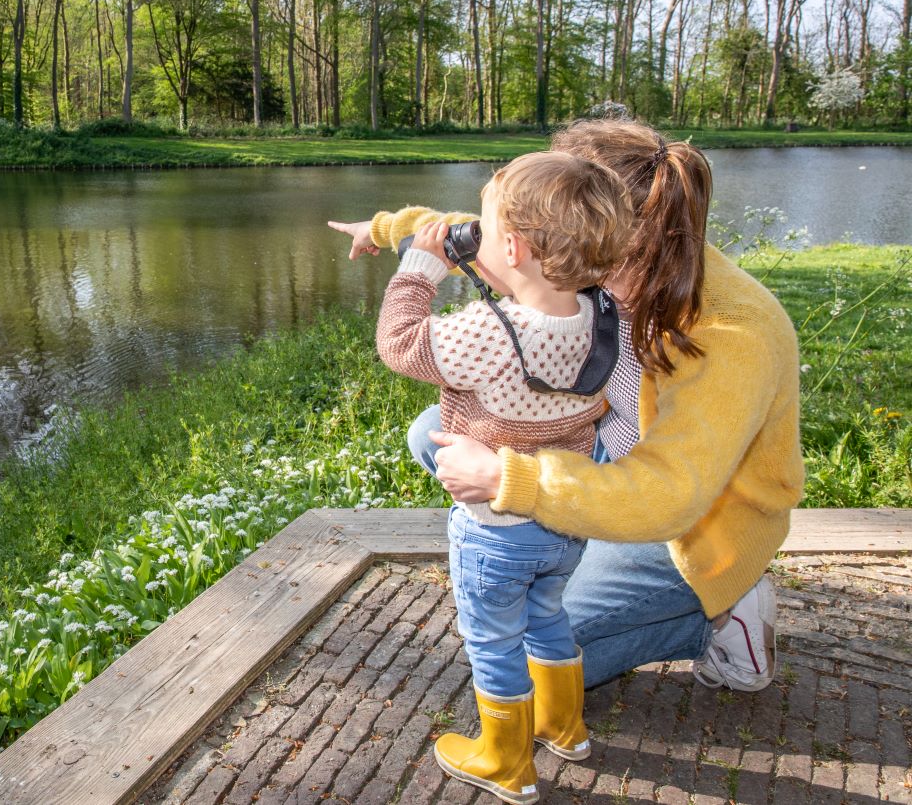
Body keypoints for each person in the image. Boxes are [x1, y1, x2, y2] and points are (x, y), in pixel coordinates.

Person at [327, 118, 802, 701]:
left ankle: (723, 612)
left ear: (605, 230)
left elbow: (670, 496)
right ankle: (569, 547)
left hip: (693, 526)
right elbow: (473, 231)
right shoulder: (582, 250)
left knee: (522, 664)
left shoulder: (733, 332)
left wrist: (509, 478)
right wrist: (384, 231)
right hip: (600, 448)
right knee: (437, 432)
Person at [374, 151, 633, 805]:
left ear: (512, 247)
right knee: (548, 616)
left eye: (485, 231)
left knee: (492, 638)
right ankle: (564, 725)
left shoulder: (489, 331)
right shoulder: (600, 317)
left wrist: (419, 268)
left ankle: (506, 760)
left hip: (496, 526)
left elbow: (400, 343)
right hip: (561, 517)